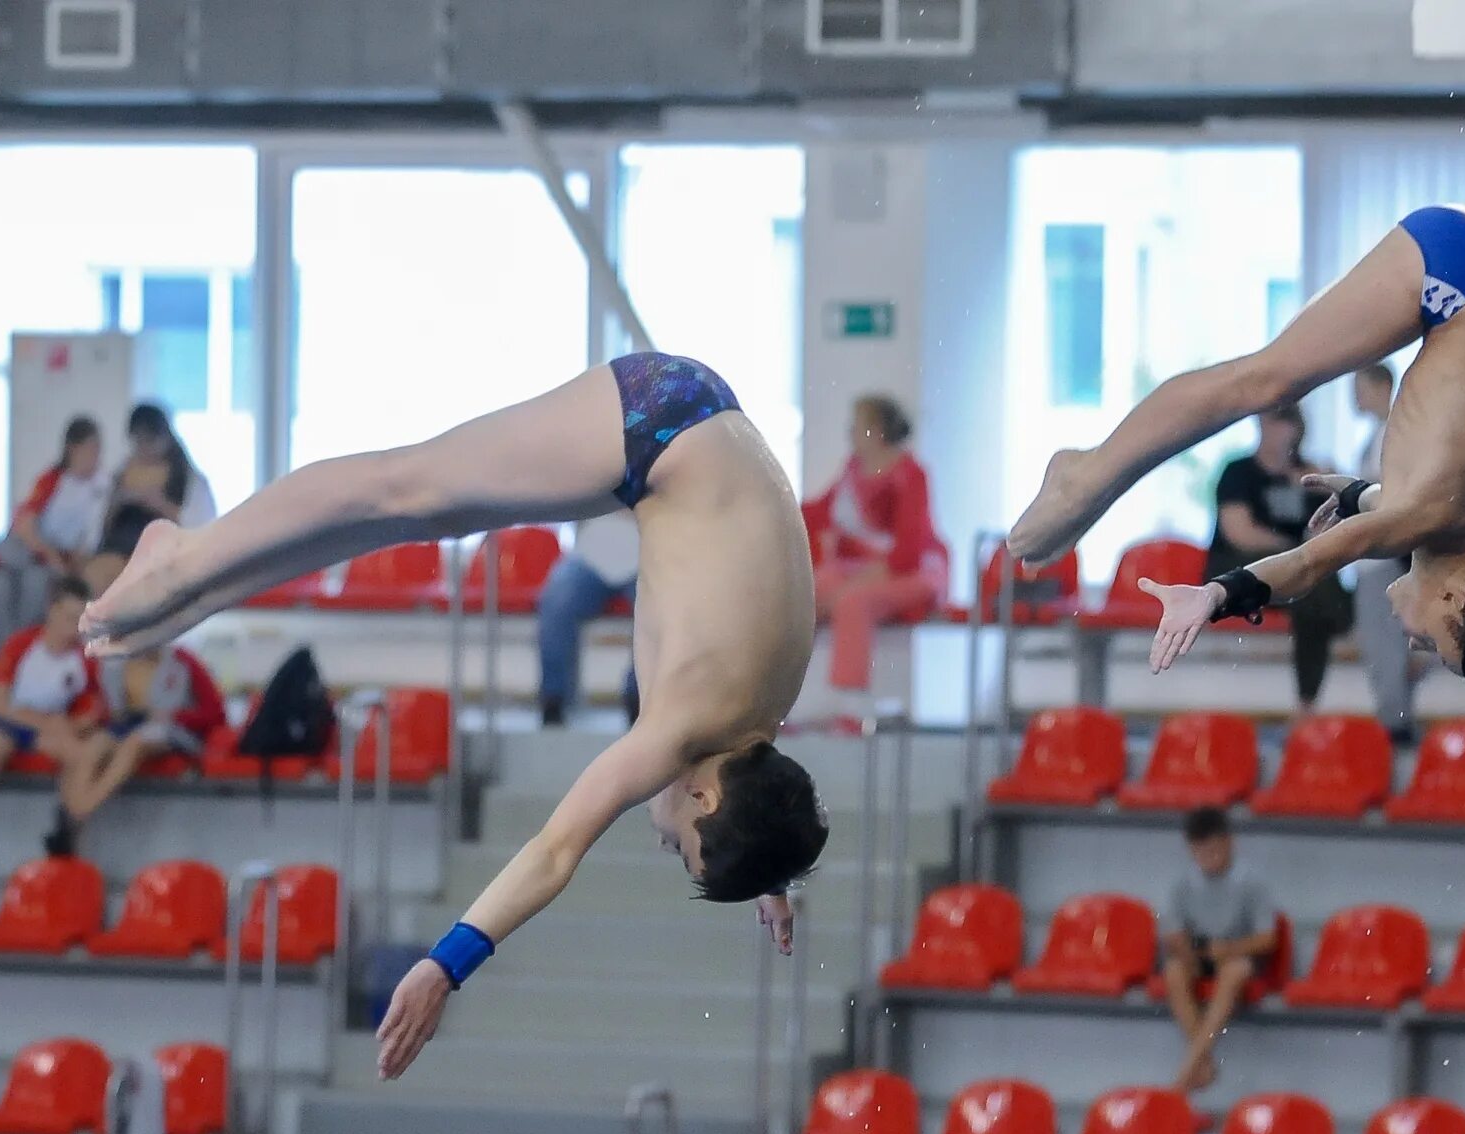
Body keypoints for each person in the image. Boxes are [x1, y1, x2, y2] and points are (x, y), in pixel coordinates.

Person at [75, 352, 827, 1078]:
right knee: (402, 486)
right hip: (657, 419)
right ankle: (180, 556)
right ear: (707, 794)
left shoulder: (760, 711)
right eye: (683, 848)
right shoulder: (684, 730)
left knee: (417, 513)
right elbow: (555, 852)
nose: (663, 839)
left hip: (695, 426)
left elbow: (765, 795)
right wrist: (445, 965)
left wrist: (769, 869)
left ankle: (200, 589)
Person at [1009, 204, 1465, 686]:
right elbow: (1308, 565)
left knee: (1277, 379)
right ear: (1454, 602)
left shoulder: (1451, 521)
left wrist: (1351, 495)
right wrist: (1215, 597)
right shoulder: (1426, 518)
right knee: (1267, 382)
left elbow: (1385, 509)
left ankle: (1094, 475)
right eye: (1438, 646)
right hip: (1459, 270)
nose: (1417, 644)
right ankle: (1084, 474)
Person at [799, 395, 949, 723]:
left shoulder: (911, 475)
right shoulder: (853, 471)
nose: (850, 432)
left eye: (858, 426)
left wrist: (854, 582)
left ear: (877, 431)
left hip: (915, 572)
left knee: (852, 602)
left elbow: (909, 550)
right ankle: (785, 690)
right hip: (869, 568)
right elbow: (818, 511)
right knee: (809, 590)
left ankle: (850, 705)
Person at [1207, 404, 1352, 710]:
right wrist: (1292, 550)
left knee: (1311, 594)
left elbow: (1333, 530)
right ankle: (1340, 616)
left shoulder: (1309, 476)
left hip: (1295, 574)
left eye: (1290, 424)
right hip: (1239, 569)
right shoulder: (1239, 473)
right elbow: (1240, 534)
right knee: (1313, 588)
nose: (1283, 433)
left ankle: (1305, 702)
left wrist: (1328, 484)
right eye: (1277, 424)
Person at [0, 577, 99, 856]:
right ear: (52, 610)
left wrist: (72, 726)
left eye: (79, 619)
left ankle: (65, 831)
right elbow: (0, 705)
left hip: (46, 729)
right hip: (7, 723)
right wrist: (45, 722)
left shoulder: (83, 659)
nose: (73, 626)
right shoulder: (21, 645)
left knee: (80, 755)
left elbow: (92, 711)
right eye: (68, 617)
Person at [46, 642, 225, 855]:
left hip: (170, 731)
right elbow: (104, 709)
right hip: (123, 728)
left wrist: (174, 716)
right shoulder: (112, 665)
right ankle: (72, 818)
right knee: (96, 745)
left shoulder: (183, 661)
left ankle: (77, 811)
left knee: (136, 742)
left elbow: (215, 713)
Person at [1162, 807, 1277, 1093]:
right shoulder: (1182, 884)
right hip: (1201, 953)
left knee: (1235, 971)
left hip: (1240, 955)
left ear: (1229, 843)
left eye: (1214, 851)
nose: (1208, 859)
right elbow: (1173, 934)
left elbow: (1267, 938)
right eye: (1200, 853)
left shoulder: (1252, 882)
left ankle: (1186, 1071)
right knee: (1174, 971)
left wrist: (1229, 949)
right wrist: (1189, 951)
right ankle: (1204, 1063)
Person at [0, 415, 111, 646]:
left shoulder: (102, 485)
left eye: (97, 449)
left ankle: (22, 649)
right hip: (34, 550)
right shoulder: (53, 479)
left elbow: (89, 539)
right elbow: (26, 525)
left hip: (55, 559)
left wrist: (62, 561)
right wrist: (49, 555)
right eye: (89, 449)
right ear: (72, 449)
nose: (94, 456)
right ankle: (3, 654)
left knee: (35, 584)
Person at [1349, 363, 1418, 741]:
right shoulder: (1377, 435)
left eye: (1359, 387)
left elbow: (1384, 497)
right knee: (1377, 642)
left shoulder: (1394, 435)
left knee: (1384, 643)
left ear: (1379, 386)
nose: (1354, 397)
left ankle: (1395, 722)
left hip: (1382, 560)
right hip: (1369, 558)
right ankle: (1392, 715)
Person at [537, 512, 641, 728]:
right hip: (589, 555)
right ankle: (554, 699)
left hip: (646, 556)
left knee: (656, 610)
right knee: (556, 602)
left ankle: (638, 698)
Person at [98, 403, 218, 558]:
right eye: (138, 441)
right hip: (120, 555)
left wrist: (160, 503)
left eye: (149, 441)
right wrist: (119, 500)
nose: (144, 449)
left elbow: (202, 530)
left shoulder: (191, 481)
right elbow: (99, 532)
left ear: (165, 439)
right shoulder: (122, 473)